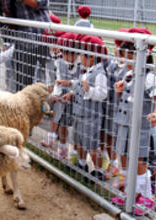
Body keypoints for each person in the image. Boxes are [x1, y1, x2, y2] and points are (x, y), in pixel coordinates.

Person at [111, 28, 156, 215]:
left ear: (142, 55)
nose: (126, 60)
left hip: (140, 127)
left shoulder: (149, 78)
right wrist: (119, 89)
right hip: (124, 124)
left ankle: (146, 196)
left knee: (139, 162)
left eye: (129, 56)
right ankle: (130, 193)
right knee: (124, 158)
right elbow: (123, 95)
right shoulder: (128, 75)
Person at [62, 35, 108, 180]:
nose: (80, 59)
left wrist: (89, 90)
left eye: (83, 56)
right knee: (79, 140)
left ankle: (99, 170)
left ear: (92, 57)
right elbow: (79, 85)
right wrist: (70, 90)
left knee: (92, 144)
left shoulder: (99, 74)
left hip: (91, 116)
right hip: (79, 112)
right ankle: (81, 163)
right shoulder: (85, 71)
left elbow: (103, 94)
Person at [0, 0, 50, 91]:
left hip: (43, 38)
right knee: (22, 87)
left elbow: (39, 3)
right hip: (21, 42)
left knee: (44, 85)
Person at [43, 33, 81, 158]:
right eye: (63, 54)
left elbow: (81, 82)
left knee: (76, 125)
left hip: (76, 97)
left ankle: (75, 152)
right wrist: (55, 95)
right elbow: (58, 80)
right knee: (61, 120)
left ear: (75, 54)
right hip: (62, 96)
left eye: (68, 54)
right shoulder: (60, 62)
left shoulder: (81, 65)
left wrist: (71, 91)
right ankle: (62, 147)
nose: (65, 57)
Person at [102, 28, 130, 180]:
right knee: (108, 136)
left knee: (122, 140)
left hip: (122, 110)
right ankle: (112, 164)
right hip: (109, 107)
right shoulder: (112, 65)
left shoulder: (129, 68)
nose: (116, 49)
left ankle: (123, 172)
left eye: (119, 46)